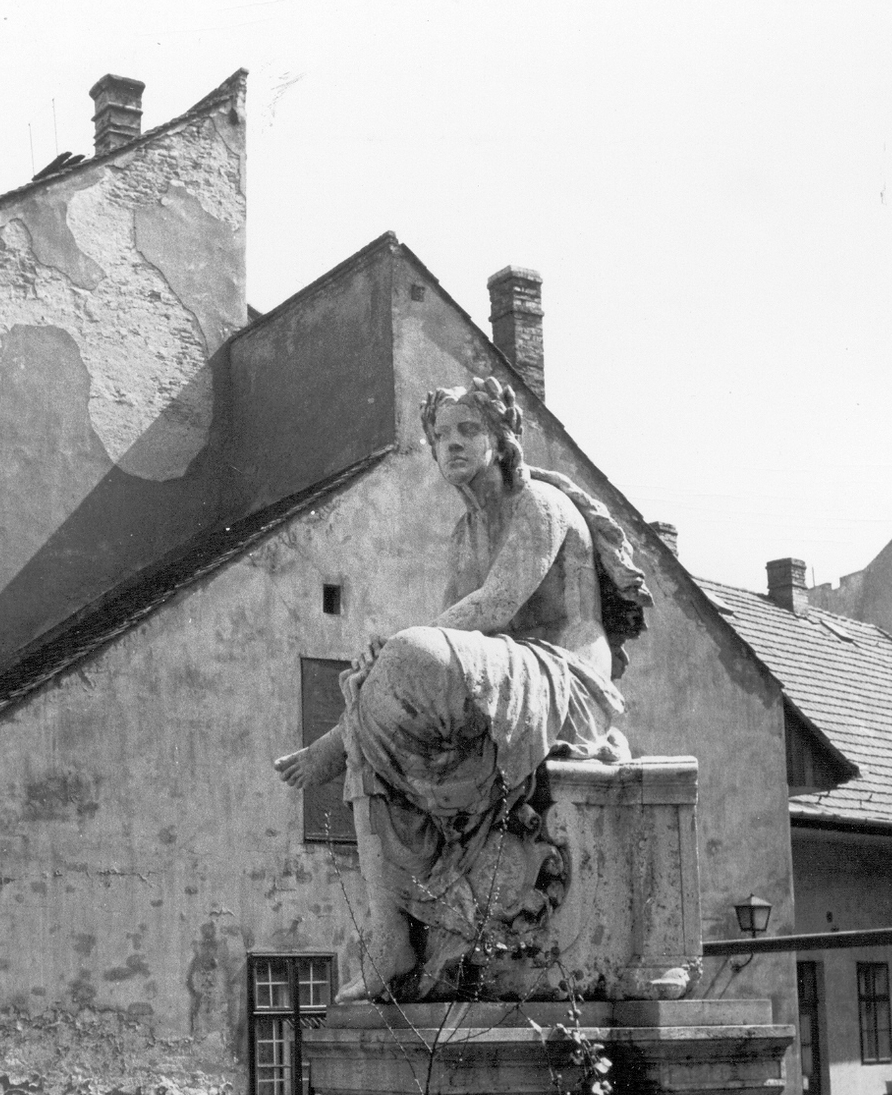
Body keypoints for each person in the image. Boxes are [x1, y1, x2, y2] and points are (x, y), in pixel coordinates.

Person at [275, 377, 651, 999]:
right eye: (440, 435)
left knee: (400, 660)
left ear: (502, 439)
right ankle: (391, 932)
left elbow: (498, 603)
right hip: (507, 669)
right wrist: (392, 660)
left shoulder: (541, 507)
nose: (451, 445)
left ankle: (340, 740)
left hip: (569, 679)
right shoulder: (463, 535)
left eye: (467, 431)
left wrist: (397, 647)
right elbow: (452, 641)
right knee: (385, 696)